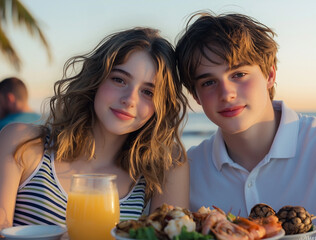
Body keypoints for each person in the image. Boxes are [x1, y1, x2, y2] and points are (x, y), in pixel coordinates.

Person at [175, 12, 316, 232]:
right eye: (208, 82)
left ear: (270, 74)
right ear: (195, 96)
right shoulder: (187, 171)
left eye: (239, 74)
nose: (226, 94)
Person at [0, 27, 189, 230]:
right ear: (96, 79)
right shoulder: (22, 143)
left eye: (148, 92)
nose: (130, 100)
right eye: (119, 79)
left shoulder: (164, 167)